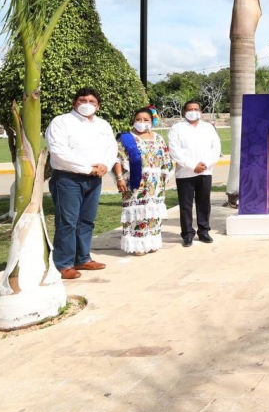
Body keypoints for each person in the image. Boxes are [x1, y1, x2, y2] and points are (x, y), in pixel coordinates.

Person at [46, 88, 117, 280]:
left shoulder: (102, 125)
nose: (87, 104)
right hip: (68, 178)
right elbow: (58, 151)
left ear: (98, 106)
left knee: (86, 220)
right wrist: (87, 168)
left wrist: (105, 165)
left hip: (94, 179)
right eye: (82, 100)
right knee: (67, 222)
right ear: (74, 103)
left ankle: (82, 258)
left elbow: (111, 148)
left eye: (92, 101)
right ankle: (64, 264)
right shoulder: (61, 122)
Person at [112, 108, 174, 256]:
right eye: (138, 119)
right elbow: (117, 159)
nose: (141, 122)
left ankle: (151, 242)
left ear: (151, 121)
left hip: (155, 184)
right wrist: (120, 178)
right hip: (134, 184)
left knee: (152, 213)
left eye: (146, 120)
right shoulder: (126, 139)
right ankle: (137, 245)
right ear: (133, 121)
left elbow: (166, 160)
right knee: (136, 214)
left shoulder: (158, 138)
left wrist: (163, 178)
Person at [168, 100, 221, 247]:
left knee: (204, 203)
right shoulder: (177, 128)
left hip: (205, 171)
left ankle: (204, 231)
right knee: (186, 205)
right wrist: (192, 166)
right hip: (185, 173)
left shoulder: (208, 128)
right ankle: (187, 234)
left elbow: (216, 148)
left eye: (196, 109)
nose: (193, 111)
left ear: (200, 111)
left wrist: (206, 164)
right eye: (190, 109)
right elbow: (174, 150)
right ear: (184, 112)